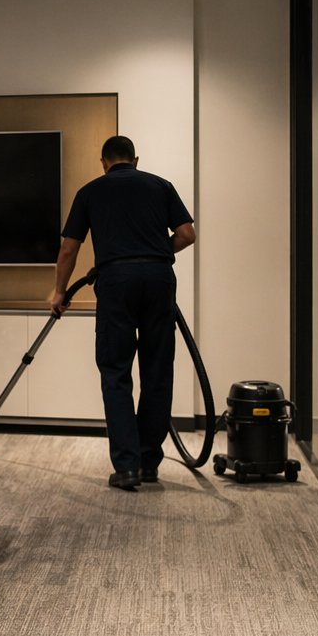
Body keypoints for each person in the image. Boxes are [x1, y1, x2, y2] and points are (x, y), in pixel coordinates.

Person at [47, 135, 196, 490]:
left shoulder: (90, 191)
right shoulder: (161, 185)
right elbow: (187, 234)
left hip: (115, 282)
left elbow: (69, 250)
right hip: (159, 280)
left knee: (116, 372)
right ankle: (148, 464)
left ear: (104, 162)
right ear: (136, 159)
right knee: (158, 372)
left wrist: (59, 291)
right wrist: (160, 252)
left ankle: (127, 467)